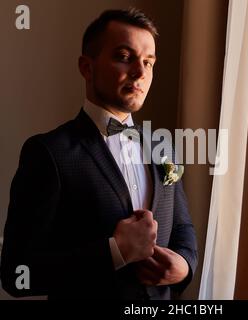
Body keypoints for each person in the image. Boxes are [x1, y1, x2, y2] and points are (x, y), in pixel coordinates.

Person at [0, 8, 197, 300]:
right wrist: (115, 252)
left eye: (148, 62)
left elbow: (182, 228)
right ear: (87, 67)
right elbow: (17, 275)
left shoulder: (162, 147)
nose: (140, 73)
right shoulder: (48, 153)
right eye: (125, 57)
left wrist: (184, 266)